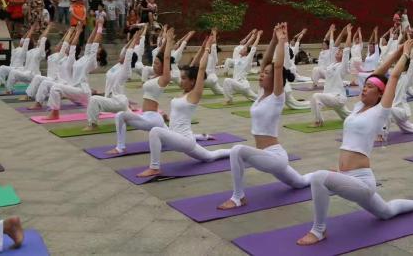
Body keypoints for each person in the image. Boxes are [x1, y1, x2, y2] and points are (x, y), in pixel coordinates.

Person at [297, 39, 413, 246]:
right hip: (347, 177)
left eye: (369, 88)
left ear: (380, 94)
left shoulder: (380, 112)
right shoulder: (358, 108)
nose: (364, 89)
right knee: (385, 212)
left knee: (319, 178)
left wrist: (407, 54)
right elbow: (380, 72)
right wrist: (397, 51)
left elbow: (392, 76)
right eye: (364, 86)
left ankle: (319, 230)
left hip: (363, 181)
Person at [217, 23, 311, 210]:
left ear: (276, 79)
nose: (261, 75)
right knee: (300, 182)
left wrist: (283, 42)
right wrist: (274, 39)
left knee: (237, 150)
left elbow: (276, 66)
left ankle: (238, 197)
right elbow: (267, 61)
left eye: (266, 74)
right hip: (265, 156)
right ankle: (326, 176)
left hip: (275, 157)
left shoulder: (277, 97)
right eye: (262, 73)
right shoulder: (262, 94)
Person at [136, 35, 230, 178]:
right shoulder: (184, 92)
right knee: (210, 156)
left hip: (184, 141)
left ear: (193, 82)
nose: (181, 80)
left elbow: (200, 68)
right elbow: (194, 64)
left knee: (155, 131)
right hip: (180, 138)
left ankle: (154, 168)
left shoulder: (194, 95)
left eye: (184, 78)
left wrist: (207, 49)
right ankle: (236, 151)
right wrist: (201, 48)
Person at [83, 30, 142, 131]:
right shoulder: (118, 65)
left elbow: (128, 54)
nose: (122, 56)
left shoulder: (126, 70)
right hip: (116, 100)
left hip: (117, 101)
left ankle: (93, 125)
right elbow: (125, 50)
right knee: (139, 121)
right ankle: (160, 117)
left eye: (124, 56)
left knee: (94, 100)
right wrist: (133, 39)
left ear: (128, 60)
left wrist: (135, 41)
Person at [46, 21, 105, 120]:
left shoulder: (92, 60)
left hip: (82, 91)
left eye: (99, 49)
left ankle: (55, 114)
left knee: (56, 88)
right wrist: (94, 28)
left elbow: (94, 43)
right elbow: (90, 42)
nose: (97, 48)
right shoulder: (85, 57)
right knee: (98, 106)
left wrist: (100, 26)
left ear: (98, 55)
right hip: (76, 89)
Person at [309, 25, 352, 127]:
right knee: (349, 116)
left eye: (340, 52)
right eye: (338, 51)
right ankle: (363, 116)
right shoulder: (332, 64)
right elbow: (335, 46)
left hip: (337, 97)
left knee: (316, 96)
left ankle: (319, 121)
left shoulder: (343, 66)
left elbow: (347, 50)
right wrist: (342, 32)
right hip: (330, 95)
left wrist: (349, 34)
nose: (338, 52)